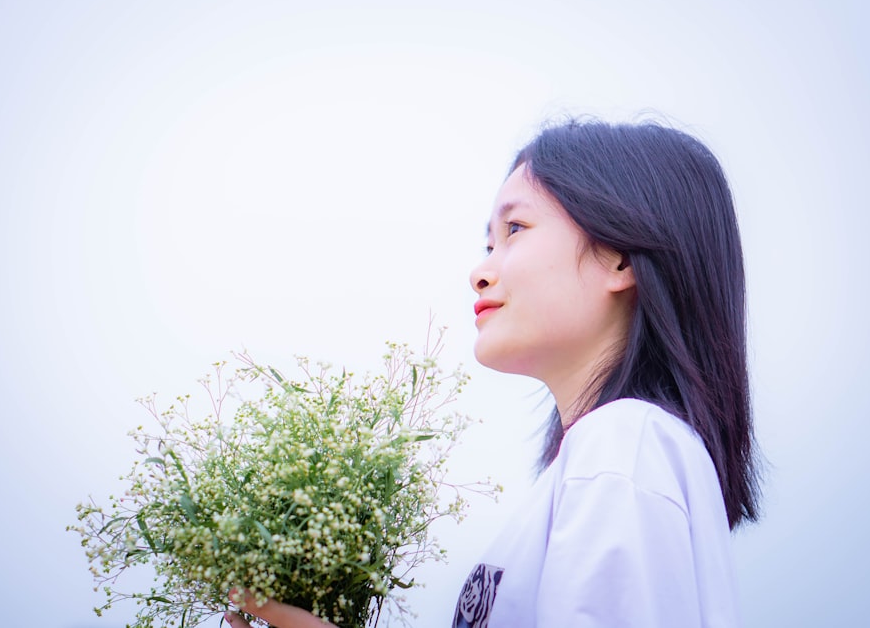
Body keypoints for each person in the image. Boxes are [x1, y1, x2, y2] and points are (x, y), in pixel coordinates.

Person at [225, 118, 761, 627]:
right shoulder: (606, 457)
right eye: (489, 244)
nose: (480, 272)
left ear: (618, 256)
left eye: (515, 229)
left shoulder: (623, 446)